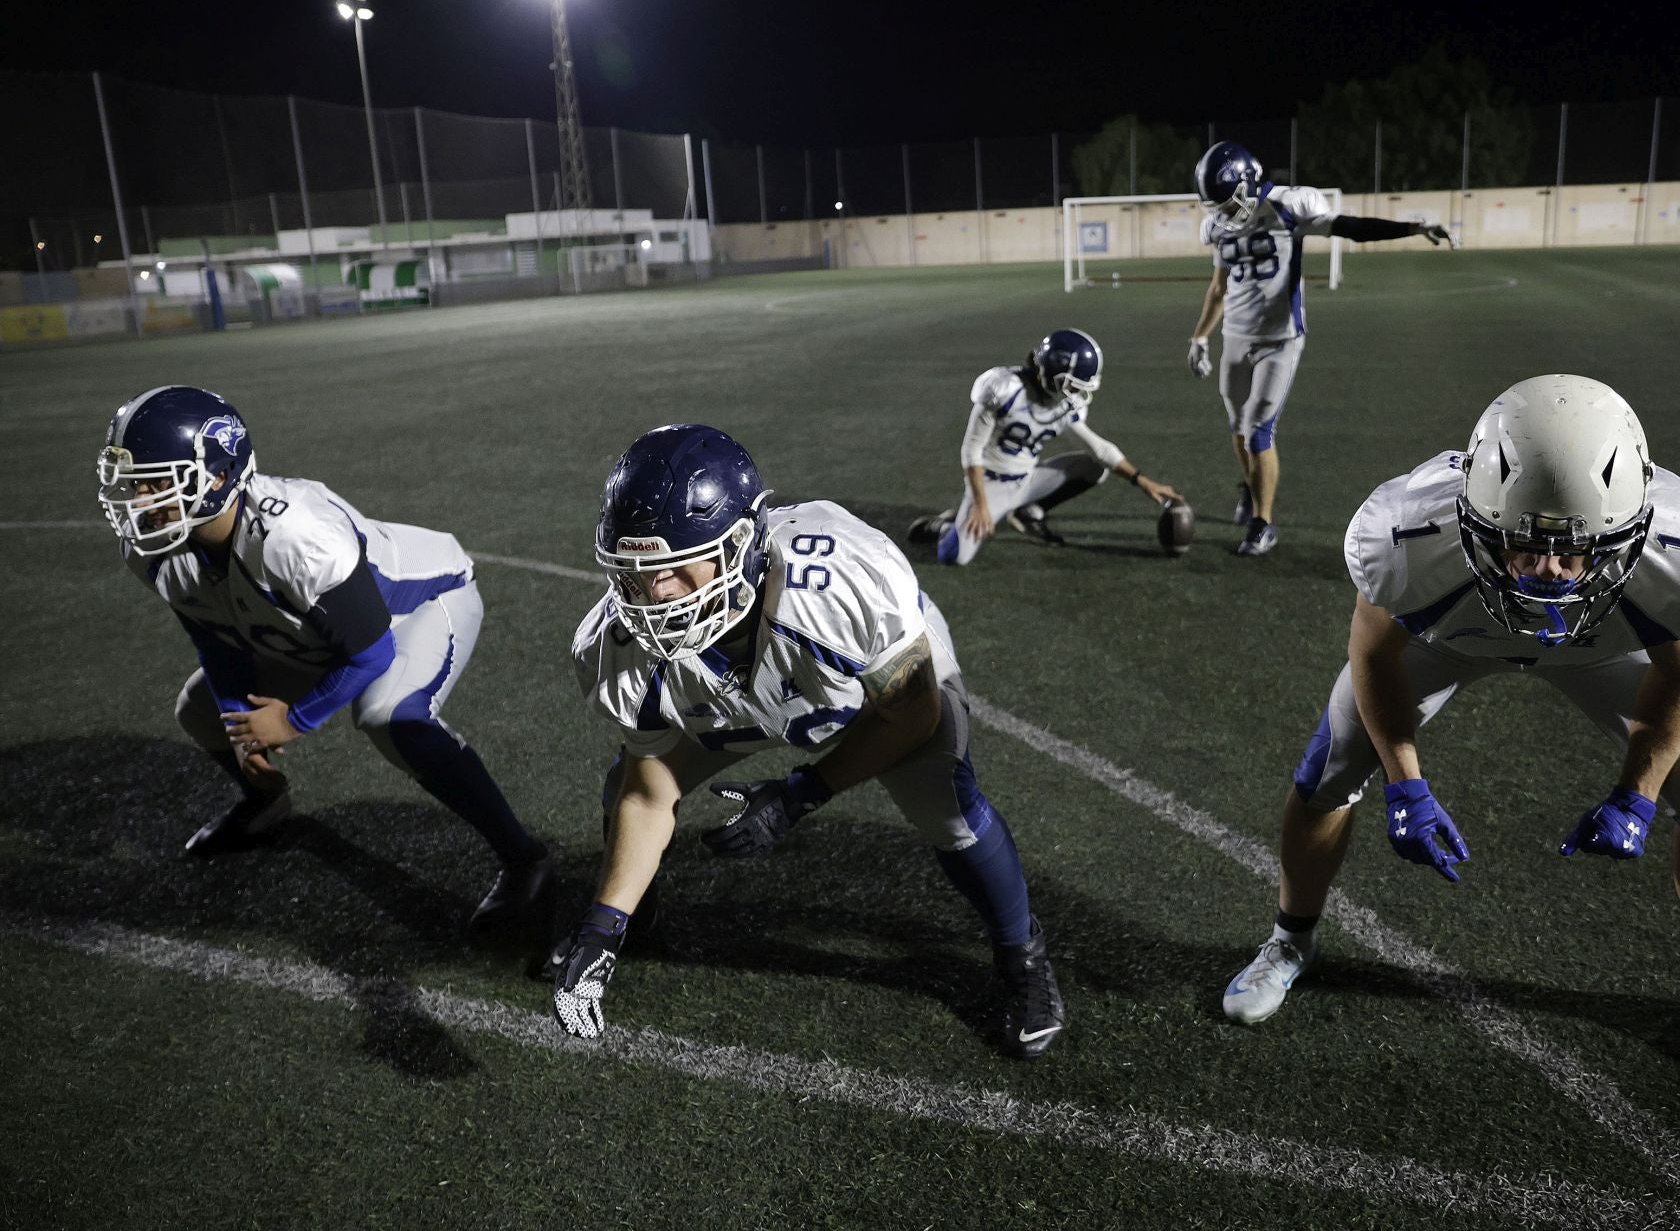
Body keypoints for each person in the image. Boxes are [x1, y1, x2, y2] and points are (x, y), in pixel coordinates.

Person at [1220, 374, 1680, 1099]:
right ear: (1472, 517)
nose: (1547, 575)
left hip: (1606, 647)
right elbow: (1371, 657)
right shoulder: (1410, 537)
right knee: (1329, 768)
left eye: (1575, 552)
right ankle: (1289, 941)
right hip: (1455, 636)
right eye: (1521, 548)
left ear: (1632, 528)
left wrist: (1637, 794)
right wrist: (1408, 784)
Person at [552, 424, 1066, 1057]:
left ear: (740, 544)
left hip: (861, 691)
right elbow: (649, 796)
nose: (652, 598)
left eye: (672, 570)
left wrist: (802, 793)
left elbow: (911, 714)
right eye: (634, 573)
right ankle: (635, 920)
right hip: (727, 700)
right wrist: (601, 929)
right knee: (620, 787)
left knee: (948, 808)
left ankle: (1023, 958)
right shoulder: (614, 643)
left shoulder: (839, 584)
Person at [97, 385, 552, 931]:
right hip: (310, 630)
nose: (138, 500)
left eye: (155, 480)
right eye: (131, 482)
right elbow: (215, 640)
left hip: (413, 609)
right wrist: (243, 730)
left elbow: (371, 651)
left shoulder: (294, 535)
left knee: (389, 715)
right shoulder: (154, 550)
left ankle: (524, 857)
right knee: (200, 708)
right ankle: (263, 803)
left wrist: (291, 719)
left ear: (216, 476)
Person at [1186, 140, 1456, 556]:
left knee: (1258, 429)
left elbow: (1350, 226)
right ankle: (1251, 487)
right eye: (1215, 207)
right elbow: (1218, 288)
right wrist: (1200, 336)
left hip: (1280, 338)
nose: (1221, 214)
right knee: (1238, 429)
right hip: (1236, 337)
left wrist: (1412, 228)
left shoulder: (1288, 208)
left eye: (1226, 203)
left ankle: (1264, 523)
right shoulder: (1218, 227)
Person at [907, 328, 1182, 564]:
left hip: (1027, 479)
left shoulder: (1063, 404)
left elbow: (1099, 449)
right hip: (991, 485)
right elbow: (971, 451)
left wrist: (1142, 480)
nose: (1078, 394)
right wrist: (980, 504)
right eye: (1072, 384)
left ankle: (1030, 512)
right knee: (954, 556)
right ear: (1052, 374)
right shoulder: (1004, 390)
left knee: (1095, 466)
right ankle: (944, 526)